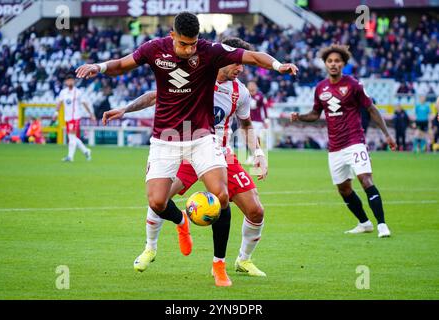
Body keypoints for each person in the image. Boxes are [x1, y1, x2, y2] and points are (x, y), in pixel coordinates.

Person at [76, 12, 297, 286]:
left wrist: (278, 66)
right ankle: (174, 225)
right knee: (157, 202)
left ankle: (220, 265)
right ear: (171, 36)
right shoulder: (155, 50)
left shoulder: (210, 54)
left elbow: (254, 57)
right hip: (166, 139)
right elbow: (124, 65)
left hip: (204, 140)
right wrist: (99, 68)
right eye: (183, 44)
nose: (189, 49)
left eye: (193, 44)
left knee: (222, 196)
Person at [103, 37, 268, 281]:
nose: (241, 69)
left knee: (255, 211)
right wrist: (126, 109)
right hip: (184, 151)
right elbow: (154, 96)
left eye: (243, 65)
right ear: (224, 58)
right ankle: (150, 247)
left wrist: (258, 153)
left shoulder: (240, 92)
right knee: (159, 199)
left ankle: (243, 260)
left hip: (220, 153)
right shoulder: (195, 74)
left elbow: (245, 125)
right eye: (237, 63)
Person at [291, 44, 396, 238]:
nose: (333, 64)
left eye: (337, 61)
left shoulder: (354, 85)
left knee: (365, 180)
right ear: (325, 64)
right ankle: (364, 223)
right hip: (335, 147)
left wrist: (387, 134)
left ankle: (382, 225)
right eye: (330, 61)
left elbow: (371, 109)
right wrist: (300, 117)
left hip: (355, 141)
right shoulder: (321, 87)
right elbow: (315, 114)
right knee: (344, 188)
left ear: (343, 64)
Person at [56, 73, 95, 162]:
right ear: (66, 82)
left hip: (75, 117)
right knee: (73, 138)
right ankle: (86, 151)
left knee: (72, 137)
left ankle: (70, 157)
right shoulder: (63, 92)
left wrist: (91, 114)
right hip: (67, 118)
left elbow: (85, 103)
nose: (70, 82)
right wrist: (55, 113)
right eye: (68, 80)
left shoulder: (78, 92)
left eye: (71, 80)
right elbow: (59, 103)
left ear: (74, 81)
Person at [246, 81, 268, 163]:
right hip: (248, 120)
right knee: (249, 138)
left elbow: (264, 108)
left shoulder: (260, 96)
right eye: (249, 85)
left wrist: (266, 120)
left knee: (256, 138)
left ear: (255, 86)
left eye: (252, 85)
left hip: (258, 121)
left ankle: (257, 155)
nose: (251, 86)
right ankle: (251, 155)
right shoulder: (245, 95)